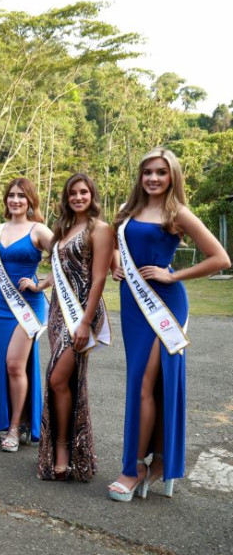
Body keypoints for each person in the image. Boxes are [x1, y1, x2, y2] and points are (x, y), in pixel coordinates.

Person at [107, 148, 230, 501]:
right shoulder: (127, 212)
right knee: (147, 384)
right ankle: (159, 461)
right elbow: (118, 244)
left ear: (172, 175)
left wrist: (173, 276)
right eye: (148, 172)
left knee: (145, 383)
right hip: (133, 306)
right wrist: (117, 264)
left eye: (161, 172)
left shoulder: (179, 214)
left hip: (166, 306)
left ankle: (134, 469)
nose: (154, 178)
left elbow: (220, 258)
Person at [36, 174, 113, 481]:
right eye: (72, 193)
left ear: (92, 194)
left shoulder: (100, 229)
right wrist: (40, 283)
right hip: (58, 313)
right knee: (64, 383)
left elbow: (99, 278)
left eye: (83, 192)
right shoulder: (63, 229)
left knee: (56, 378)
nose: (78, 197)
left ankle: (64, 448)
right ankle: (64, 451)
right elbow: (60, 271)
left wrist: (84, 321)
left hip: (81, 314)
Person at [0, 177, 53, 452]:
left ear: (30, 200)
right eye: (11, 195)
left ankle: (14, 428)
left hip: (28, 307)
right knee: (9, 365)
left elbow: (66, 260)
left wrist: (40, 284)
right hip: (1, 305)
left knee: (15, 364)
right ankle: (22, 422)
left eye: (21, 196)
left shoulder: (39, 230)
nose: (15, 200)